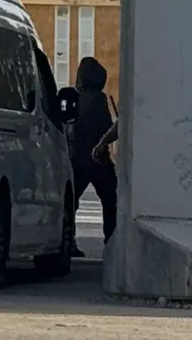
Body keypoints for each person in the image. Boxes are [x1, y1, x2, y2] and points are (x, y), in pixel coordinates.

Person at [70, 57, 118, 253]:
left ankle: (69, 241)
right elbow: (107, 126)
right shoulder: (100, 100)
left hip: (77, 158)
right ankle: (111, 241)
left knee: (71, 202)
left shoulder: (75, 99)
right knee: (110, 200)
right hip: (99, 160)